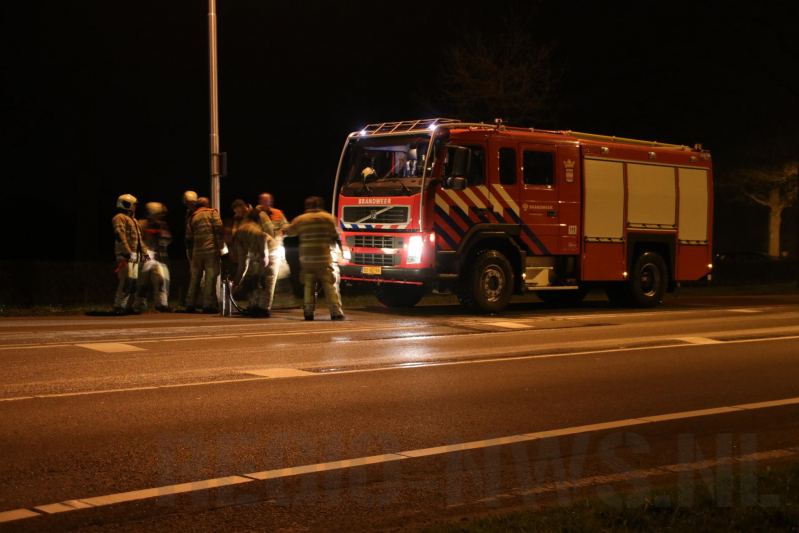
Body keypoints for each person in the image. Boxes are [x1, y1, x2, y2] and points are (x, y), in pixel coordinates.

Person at [281, 196, 344, 321]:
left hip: (307, 261)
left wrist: (281, 229)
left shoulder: (301, 219)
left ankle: (308, 312)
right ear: (320, 205)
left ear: (307, 206)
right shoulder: (329, 219)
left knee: (308, 286)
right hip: (324, 260)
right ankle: (335, 312)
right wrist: (341, 254)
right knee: (330, 285)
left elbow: (288, 231)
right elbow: (336, 236)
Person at [232, 209, 278, 317]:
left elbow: (262, 236)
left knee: (264, 279)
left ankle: (261, 308)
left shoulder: (242, 231)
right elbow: (242, 264)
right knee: (261, 279)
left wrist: (265, 255)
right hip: (265, 253)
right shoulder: (244, 232)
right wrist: (236, 282)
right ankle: (258, 307)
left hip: (269, 252)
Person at [184, 197, 224, 313]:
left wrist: (190, 253)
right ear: (207, 204)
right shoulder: (212, 213)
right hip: (210, 251)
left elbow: (188, 238)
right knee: (210, 278)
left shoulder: (193, 217)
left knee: (195, 278)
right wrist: (219, 246)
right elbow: (218, 229)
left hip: (197, 252)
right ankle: (207, 305)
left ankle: (190, 304)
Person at [112, 194, 149, 315]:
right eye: (134, 205)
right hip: (125, 255)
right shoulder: (119, 218)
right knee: (126, 281)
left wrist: (144, 253)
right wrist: (127, 251)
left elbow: (139, 240)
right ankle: (119, 306)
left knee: (133, 283)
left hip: (134, 255)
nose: (135, 207)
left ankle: (129, 306)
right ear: (127, 205)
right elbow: (120, 235)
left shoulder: (133, 220)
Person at [135, 202, 172, 312]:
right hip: (144, 257)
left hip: (156, 259)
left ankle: (162, 304)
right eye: (158, 214)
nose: (160, 217)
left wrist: (161, 231)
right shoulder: (141, 224)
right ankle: (139, 305)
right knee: (142, 284)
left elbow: (167, 239)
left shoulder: (161, 225)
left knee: (162, 280)